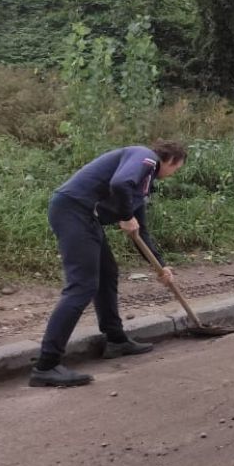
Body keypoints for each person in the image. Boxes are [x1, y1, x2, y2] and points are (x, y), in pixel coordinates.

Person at [30, 140, 187, 387]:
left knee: (106, 274)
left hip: (84, 217)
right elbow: (119, 183)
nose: (174, 173)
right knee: (82, 286)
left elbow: (140, 231)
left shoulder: (142, 184)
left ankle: (116, 340)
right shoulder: (145, 157)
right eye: (177, 168)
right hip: (74, 210)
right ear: (173, 161)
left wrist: (161, 266)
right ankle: (46, 366)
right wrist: (125, 216)